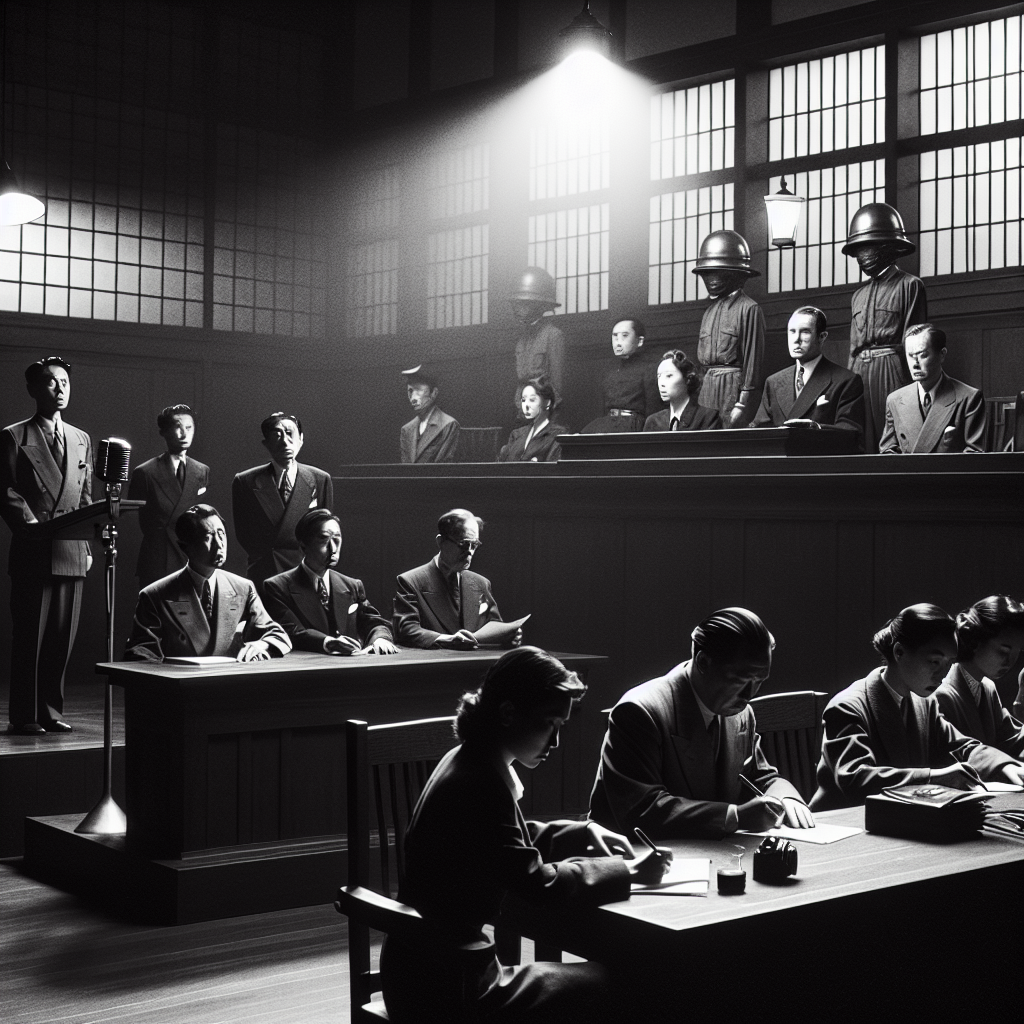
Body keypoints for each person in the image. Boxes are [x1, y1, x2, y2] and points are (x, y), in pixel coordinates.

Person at [380, 646, 670, 1024]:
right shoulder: (480, 782)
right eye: (549, 724)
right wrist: (627, 872)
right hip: (453, 987)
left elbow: (500, 842)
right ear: (508, 713)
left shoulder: (471, 757)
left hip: (424, 969)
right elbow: (537, 883)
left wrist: (583, 832)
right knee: (618, 983)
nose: (555, 742)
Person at [589, 608, 814, 839]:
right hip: (633, 857)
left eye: (759, 681)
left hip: (709, 850)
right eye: (740, 680)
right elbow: (642, 809)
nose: (749, 695)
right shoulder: (639, 712)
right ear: (703, 662)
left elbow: (758, 776)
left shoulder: (741, 713)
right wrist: (735, 816)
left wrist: (785, 797)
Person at [811, 604, 1024, 810]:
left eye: (948, 664)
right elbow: (856, 778)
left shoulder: (925, 702)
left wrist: (1004, 766)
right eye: (934, 662)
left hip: (898, 820)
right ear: (899, 652)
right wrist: (933, 776)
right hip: (844, 823)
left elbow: (962, 747)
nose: (942, 675)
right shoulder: (847, 706)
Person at [1, 356, 93, 734]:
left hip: (71, 550)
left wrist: (87, 547)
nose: (60, 389)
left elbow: (86, 498)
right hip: (34, 547)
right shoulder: (13, 435)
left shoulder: (81, 438)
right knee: (30, 638)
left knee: (61, 639)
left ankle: (51, 711)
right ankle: (25, 715)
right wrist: (34, 527)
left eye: (65, 382)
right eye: (51, 382)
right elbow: (6, 492)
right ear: (33, 389)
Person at [125, 503, 291, 663]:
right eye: (207, 537)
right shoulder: (155, 595)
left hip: (229, 682)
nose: (219, 544)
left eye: (221, 534)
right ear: (185, 547)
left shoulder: (242, 588)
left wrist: (261, 644)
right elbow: (142, 654)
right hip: (182, 686)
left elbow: (276, 633)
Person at [843, 202, 928, 453]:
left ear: (887, 248)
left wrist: (917, 385)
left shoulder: (910, 286)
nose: (861, 256)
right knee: (859, 435)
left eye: (867, 247)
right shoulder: (857, 295)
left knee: (894, 432)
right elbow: (852, 346)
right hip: (859, 371)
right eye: (858, 249)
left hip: (892, 366)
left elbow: (916, 340)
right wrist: (846, 384)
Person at [263, 509, 396, 655]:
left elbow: (375, 623)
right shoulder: (277, 587)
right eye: (324, 539)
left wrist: (380, 639)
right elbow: (291, 631)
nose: (333, 549)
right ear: (303, 547)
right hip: (305, 669)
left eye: (337, 539)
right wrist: (327, 643)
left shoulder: (351, 585)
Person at [231, 412, 333, 590]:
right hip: (264, 571)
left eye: (290, 433)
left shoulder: (320, 479)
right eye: (277, 435)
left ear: (301, 439)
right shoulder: (246, 481)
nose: (285, 441)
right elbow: (244, 534)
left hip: (305, 570)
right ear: (266, 444)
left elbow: (324, 530)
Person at [393, 508, 520, 650]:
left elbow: (492, 623)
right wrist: (448, 640)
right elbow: (406, 630)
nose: (470, 552)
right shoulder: (410, 582)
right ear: (441, 541)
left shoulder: (481, 584)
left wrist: (508, 635)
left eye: (475, 544)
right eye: (464, 544)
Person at [751, 307, 865, 449]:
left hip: (819, 464)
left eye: (805, 332)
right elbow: (760, 429)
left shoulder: (846, 381)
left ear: (822, 337)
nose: (796, 339)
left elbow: (850, 433)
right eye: (792, 331)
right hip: (779, 464)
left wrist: (814, 427)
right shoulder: (773, 382)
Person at [127, 404, 211, 588]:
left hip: (191, 556)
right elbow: (131, 521)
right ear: (163, 432)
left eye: (189, 428)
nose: (184, 433)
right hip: (158, 558)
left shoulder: (201, 471)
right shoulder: (145, 472)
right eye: (177, 427)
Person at [935, 596, 1024, 759]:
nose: (1010, 662)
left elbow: (1009, 738)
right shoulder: (941, 693)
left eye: (1017, 653)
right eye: (1003, 651)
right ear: (976, 641)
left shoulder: (987, 688)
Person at [692, 230, 766, 427]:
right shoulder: (708, 312)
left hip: (732, 388)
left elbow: (753, 363)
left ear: (735, 273)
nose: (710, 279)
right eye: (706, 274)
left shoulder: (749, 308)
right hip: (707, 388)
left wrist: (742, 404)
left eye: (716, 273)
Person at [878, 324, 986, 454]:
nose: (915, 364)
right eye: (910, 356)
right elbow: (887, 453)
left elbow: (974, 456)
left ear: (942, 354)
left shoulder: (969, 398)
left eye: (923, 355)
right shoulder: (895, 400)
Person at [581, 319, 662, 433]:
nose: (618, 342)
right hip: (608, 423)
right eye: (615, 336)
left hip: (634, 426)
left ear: (639, 341)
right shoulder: (608, 369)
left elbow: (652, 408)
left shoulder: (649, 368)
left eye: (625, 336)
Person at [509, 267, 566, 416]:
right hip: (523, 411)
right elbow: (521, 381)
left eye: (525, 304)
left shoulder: (553, 335)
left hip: (545, 413)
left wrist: (546, 411)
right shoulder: (521, 339)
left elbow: (557, 386)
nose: (520, 309)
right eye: (517, 304)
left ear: (539, 305)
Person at [642, 350, 722, 431]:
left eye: (669, 376)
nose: (661, 383)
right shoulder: (653, 421)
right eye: (659, 376)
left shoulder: (708, 417)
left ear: (687, 379)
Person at [399, 365, 460, 464]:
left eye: (418, 390)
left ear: (434, 393)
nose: (413, 398)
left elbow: (443, 468)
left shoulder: (449, 425)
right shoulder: (406, 429)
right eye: (410, 391)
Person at [498, 376, 566, 462]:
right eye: (523, 400)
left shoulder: (558, 436)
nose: (526, 405)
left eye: (532, 400)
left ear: (547, 403)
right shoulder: (516, 434)